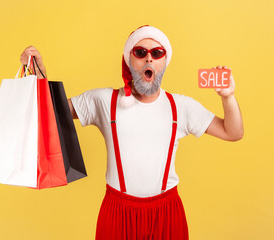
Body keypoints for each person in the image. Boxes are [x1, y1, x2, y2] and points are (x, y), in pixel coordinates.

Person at [20, 25, 243, 240]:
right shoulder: (104, 100)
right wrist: (39, 75)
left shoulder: (182, 106)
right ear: (129, 60)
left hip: (167, 214)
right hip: (117, 213)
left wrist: (228, 97)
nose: (149, 59)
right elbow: (51, 112)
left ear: (164, 62)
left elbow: (233, 132)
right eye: (140, 52)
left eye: (157, 53)